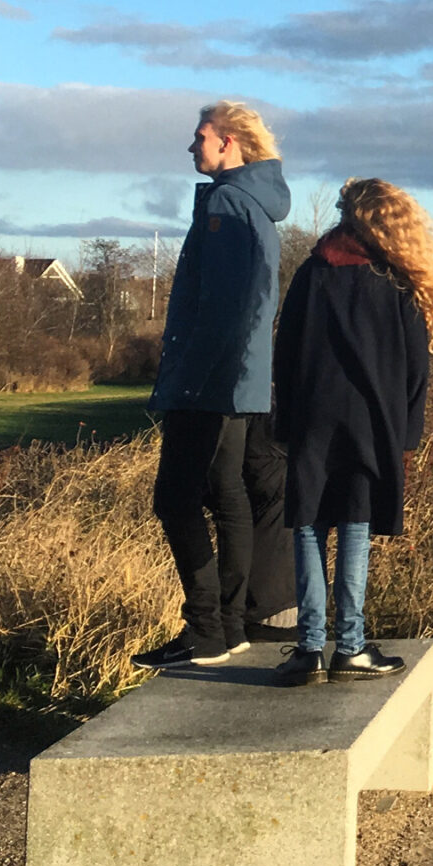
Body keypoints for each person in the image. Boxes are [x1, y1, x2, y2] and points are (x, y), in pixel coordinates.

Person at [270, 179, 433, 687]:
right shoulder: (397, 280)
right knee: (354, 525)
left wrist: (283, 419)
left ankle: (309, 648)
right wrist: (408, 436)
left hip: (312, 415)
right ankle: (350, 646)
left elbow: (284, 349)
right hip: (373, 423)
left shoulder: (313, 272)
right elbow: (417, 369)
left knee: (308, 523)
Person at [136, 102, 291, 670]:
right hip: (239, 381)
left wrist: (195, 378)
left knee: (175, 500)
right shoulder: (257, 207)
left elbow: (226, 306)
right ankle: (226, 629)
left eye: (199, 137)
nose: (191, 147)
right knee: (227, 496)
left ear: (230, 143)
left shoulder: (228, 203)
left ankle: (206, 628)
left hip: (210, 382)